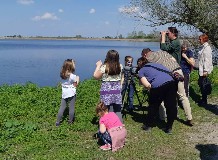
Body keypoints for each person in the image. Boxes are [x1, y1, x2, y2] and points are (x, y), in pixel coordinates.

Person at [141, 48, 193, 126]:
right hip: (178, 71)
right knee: (182, 96)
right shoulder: (163, 52)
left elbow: (151, 71)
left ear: (145, 55)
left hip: (169, 74)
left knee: (161, 96)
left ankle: (162, 117)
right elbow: (173, 60)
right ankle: (189, 118)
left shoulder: (149, 58)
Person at [137, 57, 178, 134]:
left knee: (153, 106)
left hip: (158, 86)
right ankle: (169, 127)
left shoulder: (142, 70)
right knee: (170, 106)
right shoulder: (157, 65)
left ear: (140, 64)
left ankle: (148, 125)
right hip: (171, 83)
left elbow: (147, 85)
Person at [93, 50, 123, 122]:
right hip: (116, 90)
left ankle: (107, 124)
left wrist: (98, 66)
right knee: (117, 108)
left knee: (105, 108)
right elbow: (122, 77)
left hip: (106, 91)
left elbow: (95, 76)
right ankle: (119, 125)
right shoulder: (120, 66)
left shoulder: (104, 67)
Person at [56, 59, 80, 126]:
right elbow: (76, 84)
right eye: (74, 64)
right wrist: (78, 78)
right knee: (71, 108)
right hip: (71, 93)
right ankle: (70, 122)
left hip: (64, 93)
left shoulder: (62, 74)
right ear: (71, 67)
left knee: (62, 107)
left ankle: (57, 122)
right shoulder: (72, 76)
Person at [198, 34, 213, 105]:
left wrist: (206, 70)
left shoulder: (207, 48)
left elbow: (207, 60)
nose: (199, 40)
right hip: (201, 68)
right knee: (201, 84)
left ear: (204, 39)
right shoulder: (203, 47)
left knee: (203, 84)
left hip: (204, 70)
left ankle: (204, 100)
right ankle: (204, 99)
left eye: (200, 39)